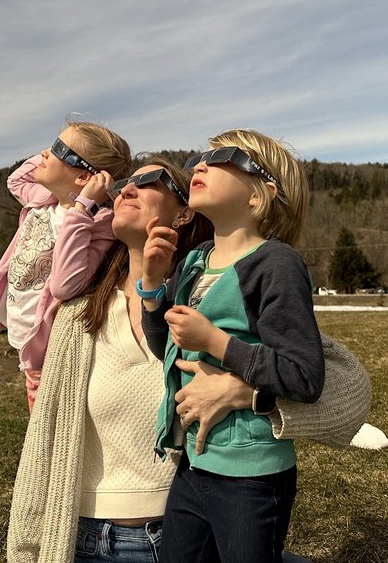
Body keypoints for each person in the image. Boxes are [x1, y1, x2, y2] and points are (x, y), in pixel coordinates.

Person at [8, 156, 264, 563]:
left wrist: (248, 392)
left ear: (183, 212)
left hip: (188, 536)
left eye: (151, 183)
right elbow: (43, 444)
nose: (126, 190)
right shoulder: (76, 316)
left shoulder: (214, 297)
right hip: (82, 539)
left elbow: (336, 383)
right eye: (125, 183)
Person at [140, 129, 325, 563]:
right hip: (192, 462)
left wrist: (217, 343)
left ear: (260, 195)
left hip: (250, 473)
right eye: (197, 157)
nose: (198, 165)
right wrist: (151, 287)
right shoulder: (194, 261)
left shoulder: (275, 263)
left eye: (222, 157)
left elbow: (304, 375)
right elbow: (167, 348)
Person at [0, 121, 132, 409]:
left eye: (60, 149)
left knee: (45, 428)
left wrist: (82, 208)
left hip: (48, 349)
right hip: (22, 334)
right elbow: (16, 180)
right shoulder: (43, 199)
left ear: (85, 176)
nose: (45, 152)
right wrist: (54, 155)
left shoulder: (99, 224)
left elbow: (65, 285)